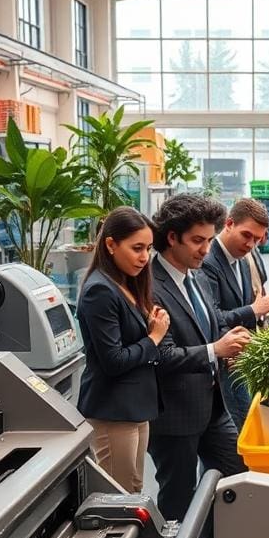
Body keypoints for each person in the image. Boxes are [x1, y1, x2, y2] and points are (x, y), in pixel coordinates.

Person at [148, 192, 252, 538]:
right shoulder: (150, 286)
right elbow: (161, 355)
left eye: (209, 240)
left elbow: (213, 323)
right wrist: (214, 349)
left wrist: (233, 338)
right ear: (171, 237)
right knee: (176, 499)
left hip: (212, 404)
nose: (206, 249)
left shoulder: (198, 278)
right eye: (197, 241)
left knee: (236, 474)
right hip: (173, 413)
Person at [75, 207, 170, 493]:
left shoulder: (125, 284)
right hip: (113, 411)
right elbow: (113, 360)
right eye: (137, 248)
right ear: (111, 245)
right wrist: (153, 337)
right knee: (119, 495)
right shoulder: (100, 291)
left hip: (134, 408)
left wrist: (150, 325)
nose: (144, 257)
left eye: (148, 249)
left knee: (134, 489)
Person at [201, 198, 269, 433]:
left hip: (241, 358)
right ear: (229, 224)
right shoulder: (209, 262)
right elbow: (211, 317)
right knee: (235, 429)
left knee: (242, 424)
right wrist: (254, 309)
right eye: (246, 235)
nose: (251, 244)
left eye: (257, 239)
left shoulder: (241, 259)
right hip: (225, 361)